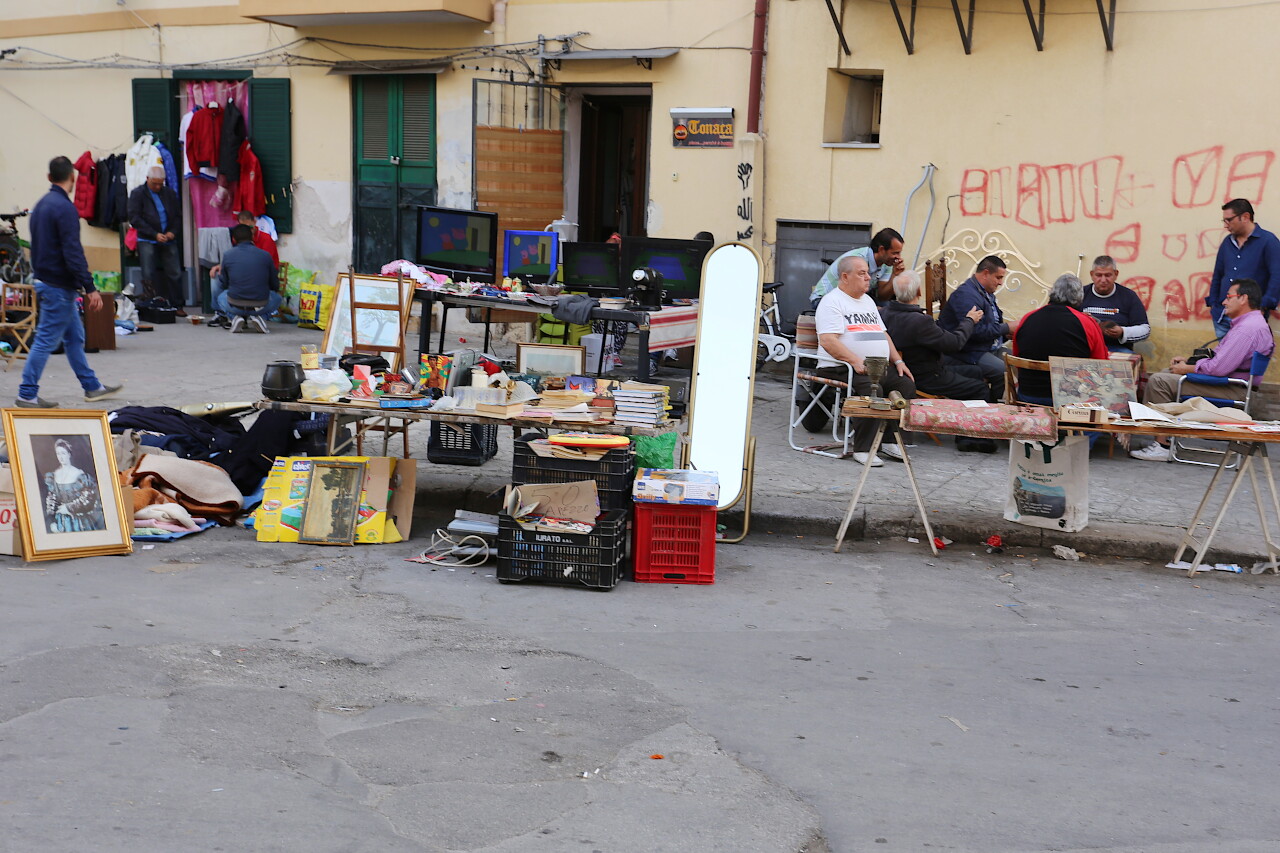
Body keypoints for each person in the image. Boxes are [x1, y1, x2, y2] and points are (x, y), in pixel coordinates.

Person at [17, 156, 122, 408]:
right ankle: (26, 393)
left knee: (75, 337)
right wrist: (90, 288)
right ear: (73, 178)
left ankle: (92, 386)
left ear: (49, 177)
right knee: (45, 339)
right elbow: (72, 252)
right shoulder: (65, 208)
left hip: (46, 280)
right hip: (58, 286)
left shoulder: (41, 205)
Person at [1131, 278, 1274, 462]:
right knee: (1168, 371)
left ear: (1243, 298)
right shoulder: (1252, 323)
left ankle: (1162, 445)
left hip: (1233, 389)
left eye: (1229, 297)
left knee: (1159, 381)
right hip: (1234, 384)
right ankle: (1165, 437)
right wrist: (1188, 362)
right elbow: (1220, 359)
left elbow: (1218, 369)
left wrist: (1187, 369)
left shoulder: (1247, 329)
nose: (1224, 301)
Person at [813, 254, 915, 466]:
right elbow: (828, 341)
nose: (868, 277)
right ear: (845, 276)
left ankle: (888, 441)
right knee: (872, 388)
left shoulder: (868, 301)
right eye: (862, 273)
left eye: (868, 273)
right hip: (840, 367)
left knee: (905, 384)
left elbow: (883, 335)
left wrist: (898, 362)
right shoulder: (832, 302)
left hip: (875, 366)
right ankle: (863, 449)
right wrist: (855, 361)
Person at [1011, 274, 1108, 404]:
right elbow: (1100, 364)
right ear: (1079, 297)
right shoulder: (1086, 323)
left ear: (1052, 292)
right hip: (1071, 402)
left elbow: (1017, 357)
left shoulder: (1027, 318)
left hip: (1028, 397)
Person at [937, 254, 1011, 397]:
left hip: (986, 347)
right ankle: (993, 408)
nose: (1001, 283)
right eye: (998, 277)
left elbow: (990, 325)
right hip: (967, 352)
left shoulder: (984, 292)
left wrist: (1005, 334)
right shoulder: (966, 295)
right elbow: (974, 332)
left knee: (1019, 360)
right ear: (985, 273)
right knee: (1001, 369)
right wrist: (1006, 328)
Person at [1208, 199, 1280, 338]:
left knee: (1247, 358)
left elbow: (1277, 276)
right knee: (1223, 358)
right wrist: (1213, 303)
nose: (1225, 225)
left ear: (1245, 217)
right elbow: (1218, 274)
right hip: (1222, 316)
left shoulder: (1268, 241)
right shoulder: (1227, 242)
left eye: (1229, 220)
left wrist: (1263, 306)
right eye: (1223, 220)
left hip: (1250, 318)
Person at [126, 164, 185, 315]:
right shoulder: (138, 193)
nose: (158, 187)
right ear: (147, 179)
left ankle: (177, 305)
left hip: (168, 237)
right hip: (147, 238)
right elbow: (135, 218)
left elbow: (177, 216)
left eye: (160, 183)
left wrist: (172, 232)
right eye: (155, 184)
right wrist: (154, 234)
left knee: (175, 272)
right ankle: (150, 305)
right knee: (148, 273)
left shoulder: (169, 194)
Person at [810, 227, 905, 308]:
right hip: (823, 300)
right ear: (881, 250)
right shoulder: (858, 259)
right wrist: (872, 309)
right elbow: (851, 294)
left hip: (851, 299)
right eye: (895, 253)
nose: (899, 257)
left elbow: (882, 297)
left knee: (888, 308)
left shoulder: (887, 263)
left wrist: (895, 275)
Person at [215, 223, 280, 334]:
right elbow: (275, 284)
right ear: (252, 237)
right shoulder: (265, 255)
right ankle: (260, 317)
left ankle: (235, 317)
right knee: (277, 298)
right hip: (261, 304)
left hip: (235, 304)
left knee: (221, 297)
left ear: (234, 239)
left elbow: (223, 283)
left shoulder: (228, 255)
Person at [1079, 255, 1150, 354]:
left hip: (1118, 349)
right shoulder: (1079, 294)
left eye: (1108, 275)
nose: (1103, 280)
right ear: (1092, 274)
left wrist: (1122, 332)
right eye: (1099, 275)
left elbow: (1145, 329)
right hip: (1085, 348)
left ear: (1116, 274)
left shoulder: (1129, 296)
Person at [43, 438, 105, 533]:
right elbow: (51, 499)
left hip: (79, 521)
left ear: (69, 454)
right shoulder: (53, 475)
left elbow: (88, 499)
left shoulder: (80, 475)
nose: (61, 457)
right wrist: (52, 522)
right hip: (60, 520)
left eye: (63, 453)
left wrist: (68, 508)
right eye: (58, 454)